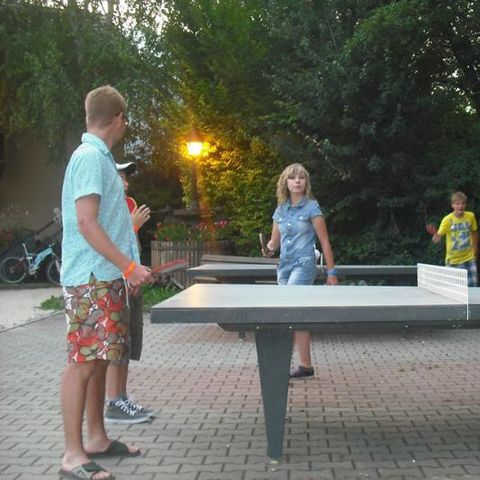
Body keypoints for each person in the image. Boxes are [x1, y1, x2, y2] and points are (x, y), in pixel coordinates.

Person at [59, 85, 153, 480]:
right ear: (118, 119)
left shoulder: (100, 158)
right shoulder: (88, 158)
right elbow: (86, 222)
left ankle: (96, 439)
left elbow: (108, 224)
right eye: (125, 120)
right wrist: (129, 267)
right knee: (83, 364)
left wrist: (125, 271)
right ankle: (72, 455)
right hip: (90, 279)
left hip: (105, 278)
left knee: (98, 362)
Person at [264, 163, 337, 378]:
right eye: (293, 178)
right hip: (284, 267)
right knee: (297, 314)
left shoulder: (312, 208)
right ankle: (306, 366)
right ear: (285, 182)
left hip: (304, 265)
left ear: (306, 182)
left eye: (301, 177)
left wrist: (332, 273)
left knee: (288, 311)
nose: (297, 181)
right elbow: (274, 243)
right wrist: (268, 248)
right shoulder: (281, 210)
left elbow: (325, 242)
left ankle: (281, 363)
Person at [104, 161, 154, 424]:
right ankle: (113, 401)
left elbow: (130, 246)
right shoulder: (105, 206)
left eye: (126, 177)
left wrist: (137, 271)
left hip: (130, 281)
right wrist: (132, 226)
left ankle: (121, 397)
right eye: (120, 177)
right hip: (115, 282)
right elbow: (109, 243)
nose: (126, 182)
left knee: (127, 343)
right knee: (116, 344)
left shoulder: (127, 204)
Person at [426, 191, 478, 286]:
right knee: (453, 290)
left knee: (472, 289)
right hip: (453, 261)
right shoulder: (447, 220)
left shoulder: (470, 216)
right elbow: (437, 239)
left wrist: (475, 250)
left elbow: (474, 232)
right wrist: (434, 234)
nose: (460, 206)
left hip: (469, 259)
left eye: (462, 203)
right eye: (457, 204)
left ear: (465, 205)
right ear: (452, 205)